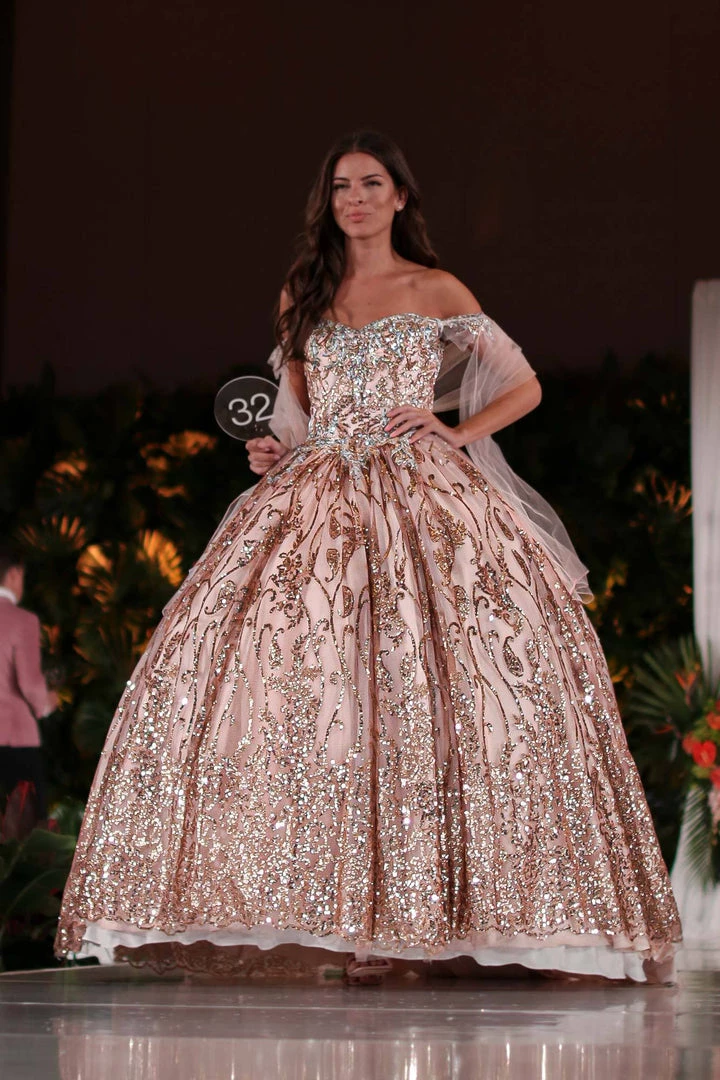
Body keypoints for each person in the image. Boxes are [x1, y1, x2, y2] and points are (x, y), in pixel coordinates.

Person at [55, 131, 681, 984]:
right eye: (342, 186)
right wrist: (274, 449)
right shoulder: (304, 292)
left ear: (400, 197)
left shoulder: (436, 288)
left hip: (424, 499)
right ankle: (351, 918)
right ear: (330, 202)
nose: (355, 199)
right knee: (318, 693)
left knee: (441, 686)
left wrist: (456, 430)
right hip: (316, 499)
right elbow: (296, 414)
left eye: (371, 184)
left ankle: (444, 912)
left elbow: (524, 384)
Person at [0, 544, 57, 820]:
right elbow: (29, 682)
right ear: (13, 574)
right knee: (25, 826)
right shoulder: (22, 620)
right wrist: (47, 704)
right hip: (14, 736)